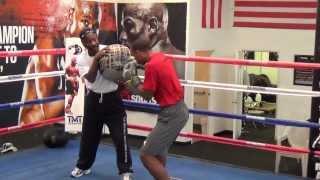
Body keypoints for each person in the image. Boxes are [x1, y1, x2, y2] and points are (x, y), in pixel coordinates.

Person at [70, 28, 133, 180]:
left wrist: (123, 76)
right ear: (84, 43)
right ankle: (83, 167)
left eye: (95, 39)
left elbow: (124, 67)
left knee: (120, 137)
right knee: (88, 137)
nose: (94, 43)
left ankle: (126, 171)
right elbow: (90, 78)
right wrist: (97, 59)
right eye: (90, 41)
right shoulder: (81, 59)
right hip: (93, 100)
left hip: (113, 100)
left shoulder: (110, 50)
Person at [127, 43, 189, 180]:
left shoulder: (151, 66)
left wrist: (131, 81)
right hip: (178, 110)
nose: (134, 59)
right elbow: (158, 77)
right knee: (159, 150)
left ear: (139, 51)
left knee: (146, 154)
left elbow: (147, 96)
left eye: (134, 55)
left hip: (171, 114)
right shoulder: (160, 57)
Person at [119, 3, 185, 78]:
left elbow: (146, 89)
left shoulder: (184, 65)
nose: (122, 37)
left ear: (152, 26)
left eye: (129, 26)